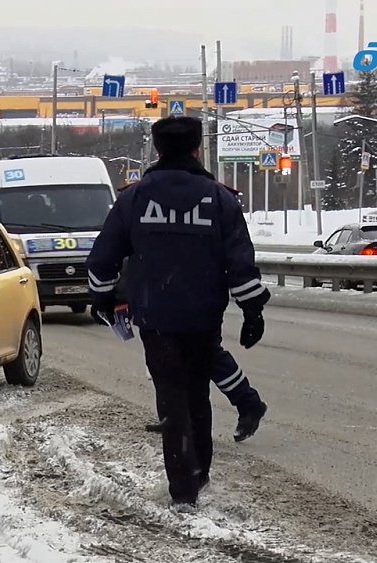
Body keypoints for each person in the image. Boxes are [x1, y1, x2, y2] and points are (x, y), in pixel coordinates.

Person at [86, 116, 269, 510]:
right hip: (204, 315)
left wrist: (101, 297)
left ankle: (183, 487)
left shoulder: (134, 199)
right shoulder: (218, 198)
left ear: (158, 150)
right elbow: (240, 260)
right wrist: (252, 310)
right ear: (197, 148)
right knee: (198, 395)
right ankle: (199, 473)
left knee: (172, 399)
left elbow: (102, 259)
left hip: (156, 316)